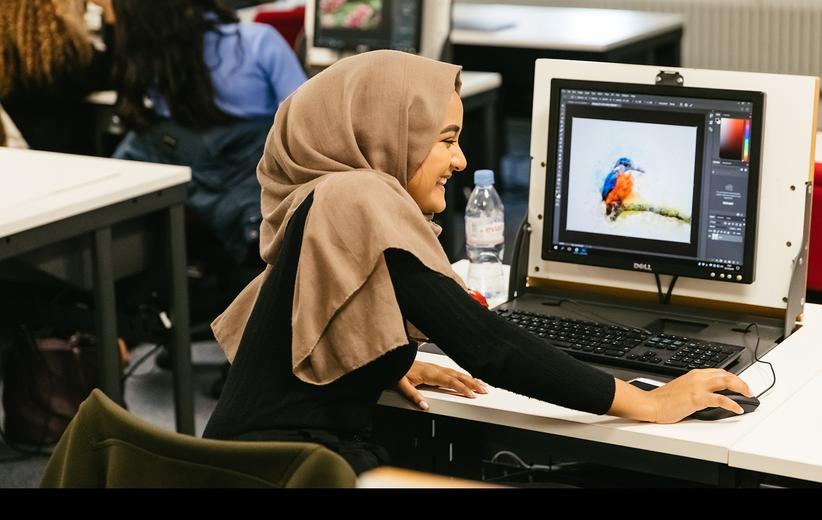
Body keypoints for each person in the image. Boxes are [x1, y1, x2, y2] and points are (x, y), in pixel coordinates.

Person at [203, 50, 754, 475]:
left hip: (264, 461)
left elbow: (308, 324)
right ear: (388, 133)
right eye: (445, 140)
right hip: (291, 472)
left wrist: (385, 361)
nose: (460, 159)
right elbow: (490, 347)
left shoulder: (326, 197)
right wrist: (648, 402)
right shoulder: (359, 199)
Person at [109, 0, 307, 265]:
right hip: (250, 201)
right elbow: (307, 121)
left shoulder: (154, 62)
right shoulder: (258, 41)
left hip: (185, 198)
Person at [0, 0, 115, 153]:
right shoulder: (64, 55)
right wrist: (110, 16)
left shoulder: (7, 53)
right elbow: (112, 71)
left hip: (23, 157)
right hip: (72, 157)